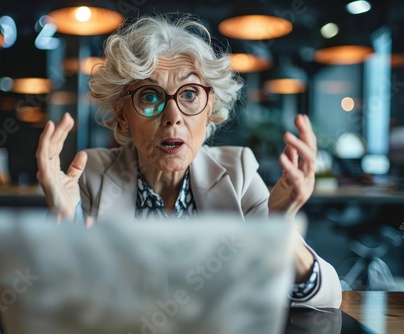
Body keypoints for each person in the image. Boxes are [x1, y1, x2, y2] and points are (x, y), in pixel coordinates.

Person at [36, 14, 342, 308]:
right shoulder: (90, 174)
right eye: (149, 96)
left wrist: (279, 231)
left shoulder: (239, 172)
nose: (172, 118)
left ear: (210, 108)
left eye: (191, 94)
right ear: (122, 114)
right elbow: (21, 297)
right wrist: (62, 219)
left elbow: (327, 297)